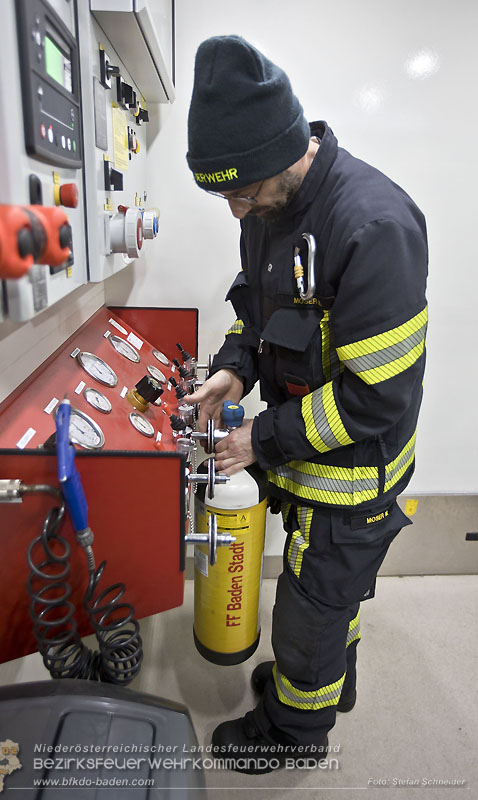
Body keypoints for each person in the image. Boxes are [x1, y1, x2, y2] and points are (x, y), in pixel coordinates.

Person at [184, 35, 428, 775]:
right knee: (323, 598)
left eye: (243, 192)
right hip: (309, 464)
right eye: (225, 195)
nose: (236, 212)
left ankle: (295, 732)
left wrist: (263, 437)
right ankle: (325, 687)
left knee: (309, 612)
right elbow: (255, 317)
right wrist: (233, 370)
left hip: (355, 476)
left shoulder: (373, 227)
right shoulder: (268, 210)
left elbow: (376, 401)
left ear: (288, 152)